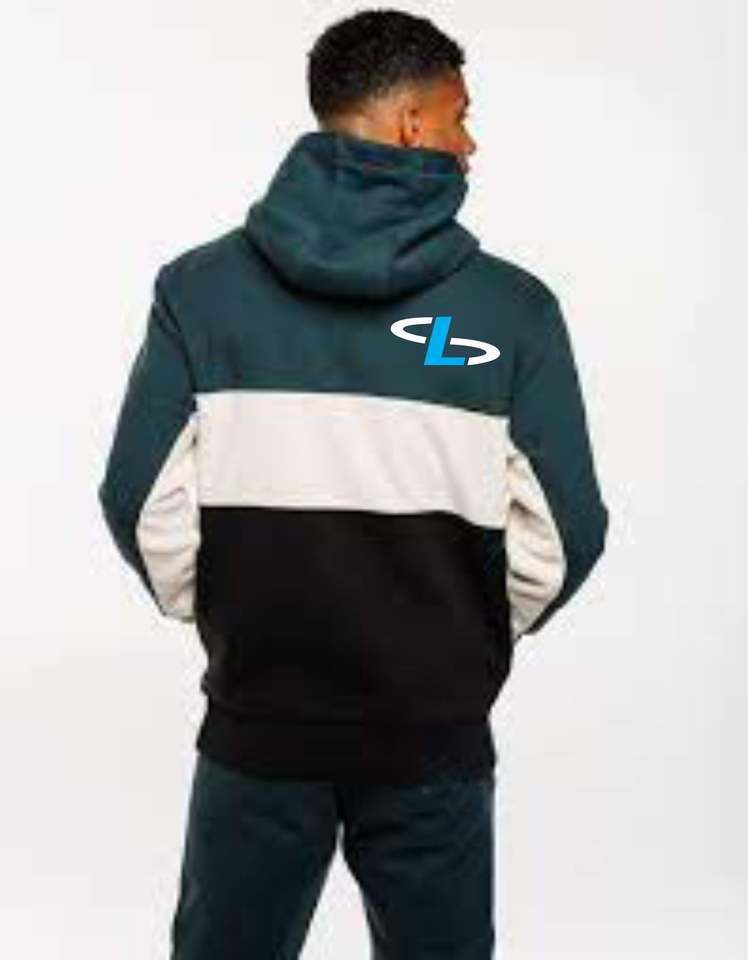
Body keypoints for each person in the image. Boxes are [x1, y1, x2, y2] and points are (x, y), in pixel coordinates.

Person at [97, 8, 609, 959]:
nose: (470, 142)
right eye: (460, 115)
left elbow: (137, 498)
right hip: (433, 733)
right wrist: (453, 633)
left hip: (257, 722)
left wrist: (243, 613)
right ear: (413, 123)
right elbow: (567, 529)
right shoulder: (510, 310)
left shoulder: (202, 292)